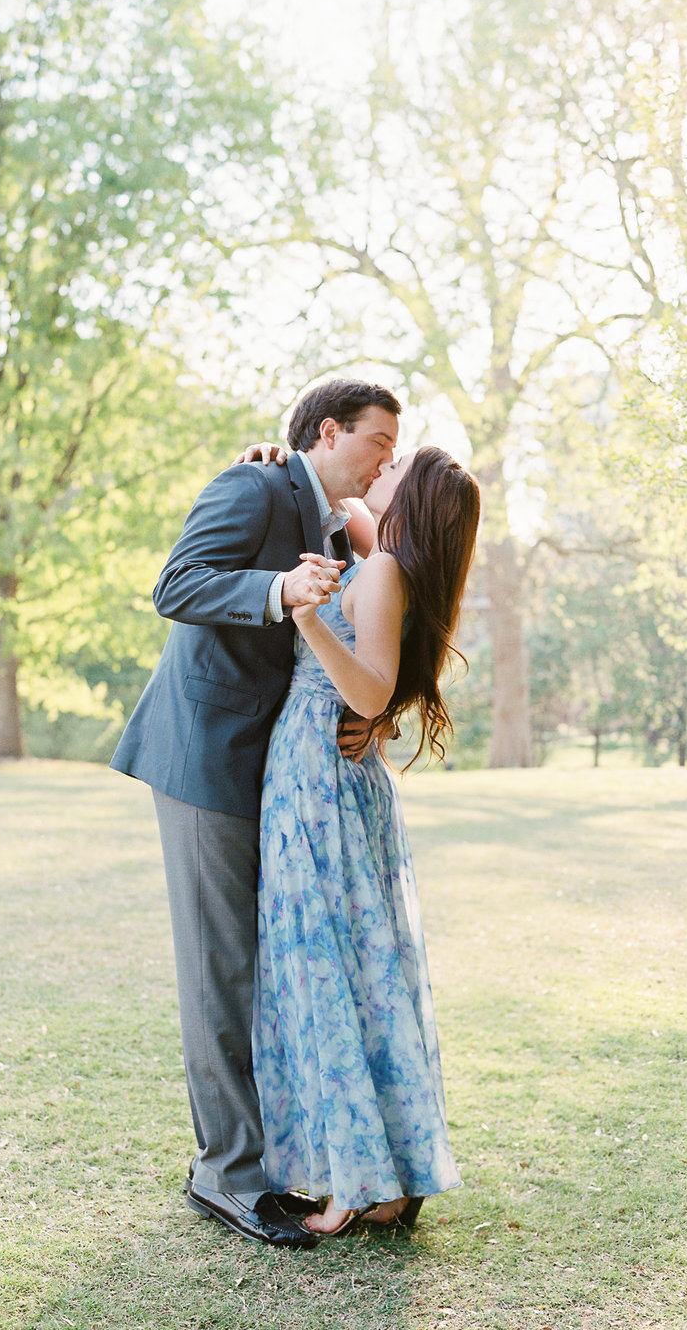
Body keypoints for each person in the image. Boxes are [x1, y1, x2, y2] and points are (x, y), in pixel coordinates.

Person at [109, 379, 401, 1249]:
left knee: (268, 965)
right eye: (378, 439)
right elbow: (177, 584)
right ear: (326, 431)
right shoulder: (253, 484)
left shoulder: (337, 521)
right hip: (205, 759)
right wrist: (280, 590)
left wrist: (373, 709)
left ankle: (276, 1157)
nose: (387, 454)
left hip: (280, 773)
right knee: (222, 970)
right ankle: (226, 1179)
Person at [252, 445, 480, 1235]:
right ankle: (387, 1174)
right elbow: (322, 479)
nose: (374, 471)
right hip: (333, 773)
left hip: (320, 772)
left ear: (409, 494)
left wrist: (310, 619)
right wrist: (270, 453)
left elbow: (370, 688)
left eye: (392, 464)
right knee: (363, 969)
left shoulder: (381, 572)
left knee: (326, 969)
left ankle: (351, 1180)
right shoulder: (389, 558)